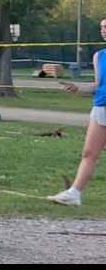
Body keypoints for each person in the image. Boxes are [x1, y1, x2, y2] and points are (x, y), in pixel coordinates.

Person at [47, 16, 106, 207]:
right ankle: (74, 193)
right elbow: (97, 84)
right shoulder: (99, 55)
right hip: (100, 108)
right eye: (102, 27)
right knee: (89, 152)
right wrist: (78, 87)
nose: (104, 30)